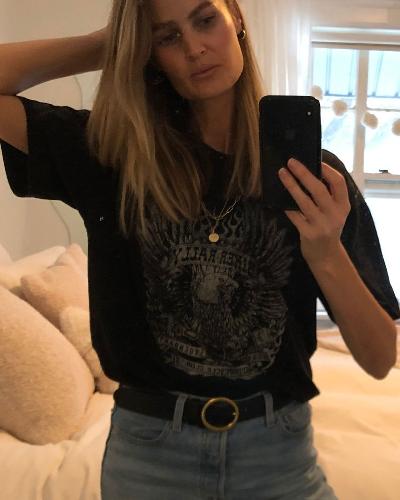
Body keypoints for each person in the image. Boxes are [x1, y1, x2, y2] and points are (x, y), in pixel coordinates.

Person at [0, 0, 399, 498]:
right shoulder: (111, 156)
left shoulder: (313, 179)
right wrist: (112, 43)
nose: (193, 48)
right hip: (149, 459)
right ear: (149, 53)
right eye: (167, 37)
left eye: (205, 20)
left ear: (236, 19)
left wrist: (325, 250)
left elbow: (380, 357)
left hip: (279, 455)